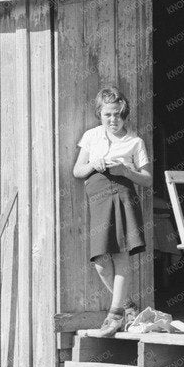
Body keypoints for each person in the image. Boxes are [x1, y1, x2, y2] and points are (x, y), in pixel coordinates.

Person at [72, 88, 152, 337]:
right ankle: (127, 307)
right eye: (107, 114)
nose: (113, 119)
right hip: (98, 199)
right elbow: (77, 171)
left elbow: (148, 180)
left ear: (124, 113)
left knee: (121, 257)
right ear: (100, 114)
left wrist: (126, 171)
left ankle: (114, 315)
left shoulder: (134, 142)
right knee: (100, 261)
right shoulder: (91, 136)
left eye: (117, 114)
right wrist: (91, 165)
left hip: (123, 196)